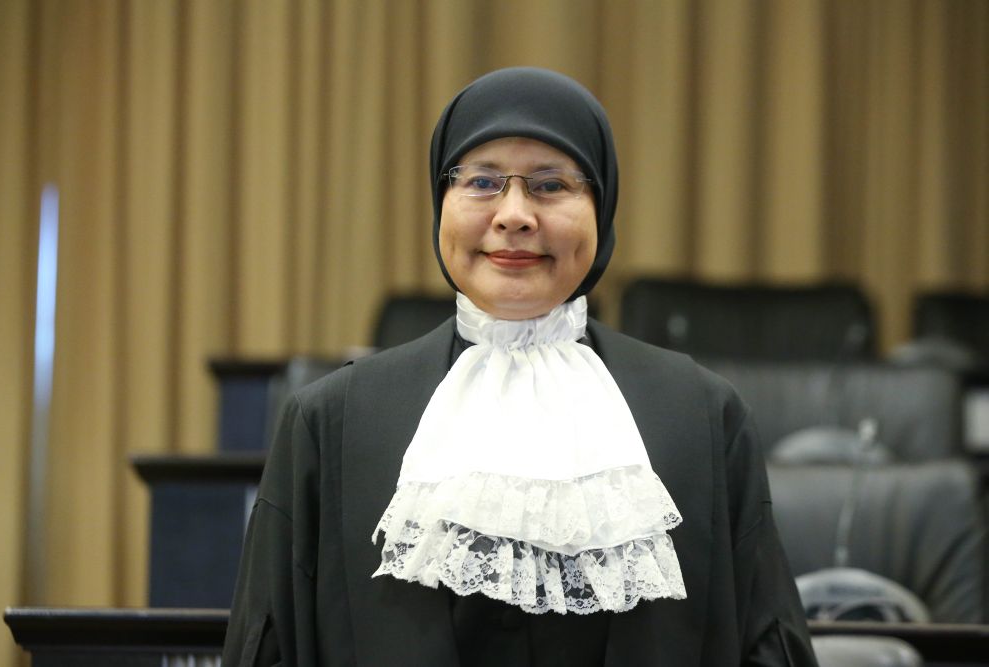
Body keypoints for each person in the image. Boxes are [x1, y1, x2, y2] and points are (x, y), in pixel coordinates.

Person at [222, 67, 818, 666]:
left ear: (601, 206)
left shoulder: (703, 414)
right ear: (441, 204)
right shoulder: (332, 423)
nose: (514, 215)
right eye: (481, 181)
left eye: (551, 185)